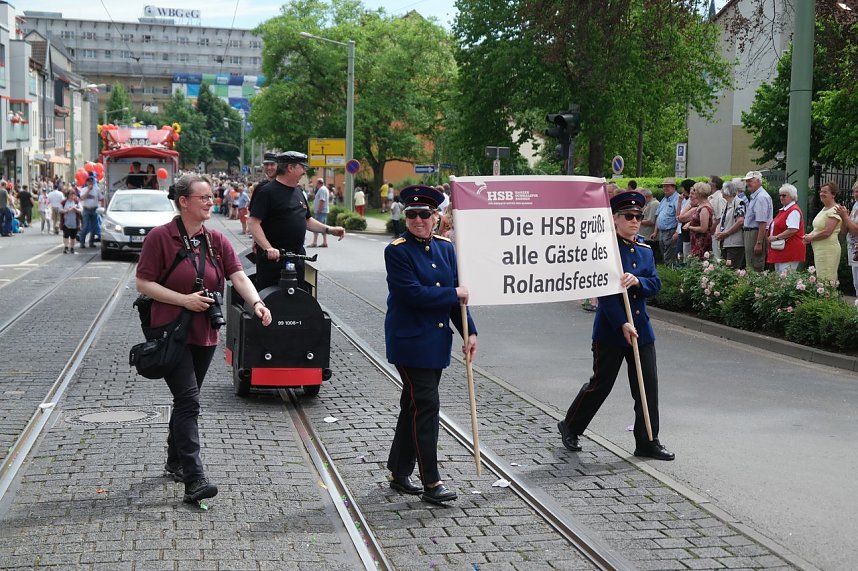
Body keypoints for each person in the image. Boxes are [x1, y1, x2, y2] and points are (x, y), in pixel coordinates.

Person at [136, 174, 273, 504]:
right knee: (189, 401)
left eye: (212, 197)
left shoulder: (216, 240)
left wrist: (257, 302)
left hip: (204, 334)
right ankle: (195, 479)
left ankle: (173, 461)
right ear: (184, 202)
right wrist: (184, 300)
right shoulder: (161, 237)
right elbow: (143, 283)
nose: (211, 202)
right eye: (204, 198)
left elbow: (238, 275)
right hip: (171, 333)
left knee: (187, 399)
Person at [558, 191, 674, 461]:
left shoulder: (645, 250)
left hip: (641, 329)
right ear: (615, 219)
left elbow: (655, 284)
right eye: (629, 217)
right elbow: (605, 293)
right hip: (611, 330)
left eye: (639, 217)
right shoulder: (604, 249)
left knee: (647, 386)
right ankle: (571, 426)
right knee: (601, 384)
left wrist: (638, 282)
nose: (635, 221)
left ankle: (647, 440)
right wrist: (622, 322)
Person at [384, 185, 477, 505]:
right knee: (426, 407)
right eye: (412, 215)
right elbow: (412, 294)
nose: (418, 220)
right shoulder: (396, 250)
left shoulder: (446, 248)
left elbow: (456, 296)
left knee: (412, 404)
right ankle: (431, 482)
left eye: (425, 214)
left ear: (437, 216)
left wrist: (470, 332)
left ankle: (398, 471)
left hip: (435, 343)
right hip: (410, 343)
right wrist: (455, 294)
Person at [247, 152, 346, 291]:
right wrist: (268, 248)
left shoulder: (298, 191)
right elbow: (253, 222)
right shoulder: (266, 192)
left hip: (296, 260)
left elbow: (307, 220)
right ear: (290, 168)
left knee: (296, 302)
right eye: (302, 167)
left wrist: (329, 229)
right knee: (272, 302)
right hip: (273, 261)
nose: (304, 171)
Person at [803, 181, 843, 285]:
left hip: (828, 249)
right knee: (821, 277)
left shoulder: (835, 209)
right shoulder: (824, 209)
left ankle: (829, 300)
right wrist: (809, 235)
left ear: (833, 194)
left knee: (827, 278)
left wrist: (811, 238)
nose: (821, 194)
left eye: (825, 192)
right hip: (820, 249)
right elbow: (818, 228)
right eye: (821, 191)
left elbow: (827, 232)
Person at [767, 184, 805, 274]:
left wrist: (776, 237)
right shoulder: (785, 210)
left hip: (790, 250)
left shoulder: (793, 210)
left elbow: (792, 230)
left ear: (792, 196)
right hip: (782, 249)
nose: (781, 197)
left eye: (784, 195)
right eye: (780, 195)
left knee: (785, 279)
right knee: (781, 278)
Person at [742, 171, 773, 272]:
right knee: (751, 264)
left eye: (750, 181)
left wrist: (759, 242)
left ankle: (755, 287)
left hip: (755, 233)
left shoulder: (761, 197)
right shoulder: (756, 195)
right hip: (752, 232)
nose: (748, 183)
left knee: (754, 265)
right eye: (747, 181)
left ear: (759, 181)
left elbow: (762, 222)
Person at [713, 181, 747, 269]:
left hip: (734, 243)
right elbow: (722, 221)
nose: (721, 191)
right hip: (725, 243)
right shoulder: (727, 204)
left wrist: (726, 233)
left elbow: (740, 221)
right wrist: (718, 231)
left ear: (727, 191)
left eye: (722, 190)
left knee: (732, 269)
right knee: (726, 269)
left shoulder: (739, 203)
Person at [835, 179, 858, 295]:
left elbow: (856, 231)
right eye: (855, 191)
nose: (856, 194)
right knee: (856, 283)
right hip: (853, 249)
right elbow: (844, 231)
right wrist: (844, 218)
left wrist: (846, 217)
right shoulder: (855, 206)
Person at [651, 178, 681, 264]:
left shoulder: (677, 199)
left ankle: (669, 273)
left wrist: (676, 232)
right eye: (664, 186)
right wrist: (655, 232)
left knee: (669, 255)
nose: (665, 188)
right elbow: (658, 215)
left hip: (671, 231)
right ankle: (666, 271)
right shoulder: (664, 199)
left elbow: (679, 217)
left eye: (667, 186)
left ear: (673, 187)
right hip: (662, 232)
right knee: (664, 254)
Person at [684, 182, 714, 260]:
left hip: (702, 242)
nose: (693, 193)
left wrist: (690, 227)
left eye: (695, 190)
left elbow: (703, 228)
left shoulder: (704, 208)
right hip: (696, 240)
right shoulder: (700, 206)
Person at [78, 175, 103, 248]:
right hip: (86, 209)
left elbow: (101, 198)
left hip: (94, 209)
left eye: (91, 181)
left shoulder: (97, 189)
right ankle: (82, 242)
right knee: (85, 226)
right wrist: (88, 190)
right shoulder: (84, 189)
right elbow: (82, 198)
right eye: (88, 181)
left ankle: (91, 242)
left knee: (94, 227)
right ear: (86, 182)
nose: (90, 182)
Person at [309, 178, 330, 248]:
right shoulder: (324, 189)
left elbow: (322, 200)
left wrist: (319, 209)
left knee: (316, 227)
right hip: (323, 211)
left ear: (319, 183)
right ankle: (325, 242)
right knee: (323, 227)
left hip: (321, 211)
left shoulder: (322, 190)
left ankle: (315, 242)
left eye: (317, 183)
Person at [60, 189, 81, 254]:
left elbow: (80, 210)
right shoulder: (64, 202)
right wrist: (67, 210)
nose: (72, 196)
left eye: (73, 195)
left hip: (74, 222)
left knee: (73, 236)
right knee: (66, 235)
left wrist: (75, 209)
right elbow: (60, 210)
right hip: (66, 222)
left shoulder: (76, 202)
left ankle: (72, 248)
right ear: (68, 195)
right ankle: (66, 247)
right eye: (70, 195)